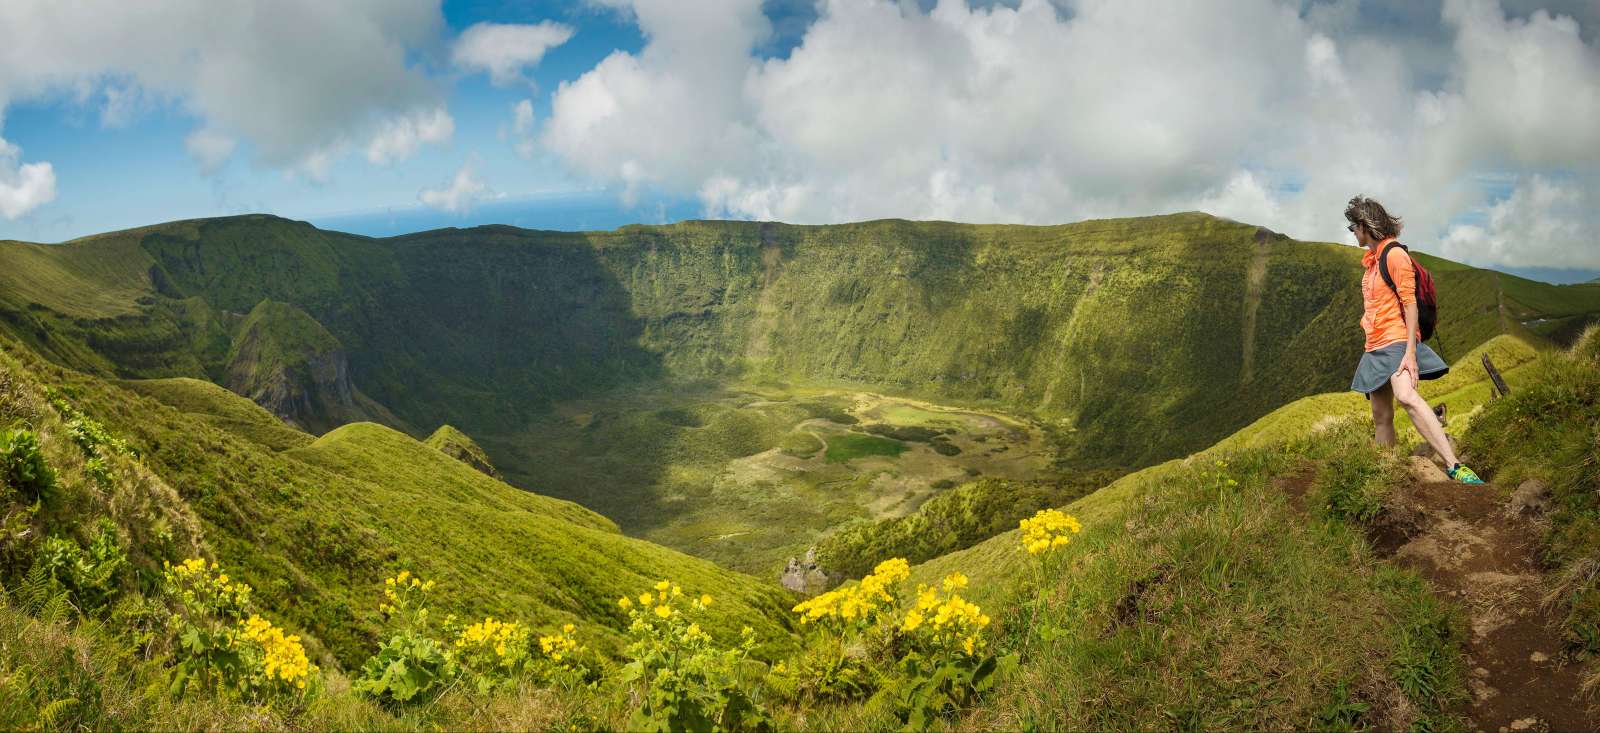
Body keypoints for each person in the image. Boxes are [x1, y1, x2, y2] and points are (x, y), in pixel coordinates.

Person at [1345, 195, 1484, 484]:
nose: (1352, 233)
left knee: (1407, 396)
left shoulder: (1394, 255)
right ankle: (1388, 476)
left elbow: (1409, 305)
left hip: (1397, 341)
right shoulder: (1372, 263)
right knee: (1380, 415)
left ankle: (1454, 465)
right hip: (1375, 346)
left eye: (1353, 227)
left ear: (1365, 225)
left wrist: (1410, 352)